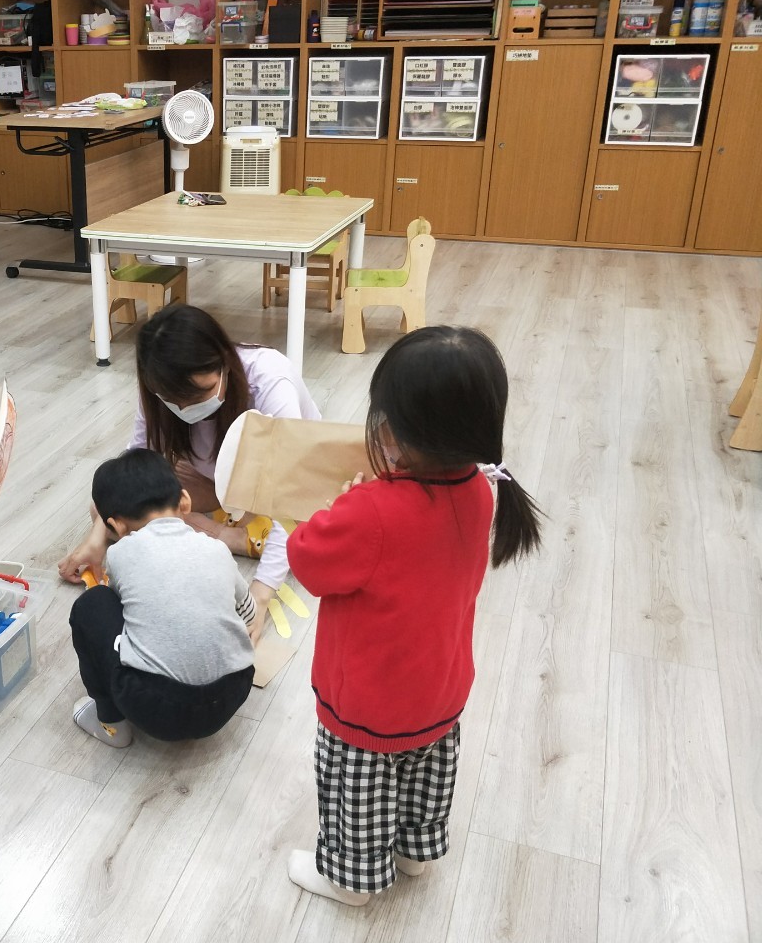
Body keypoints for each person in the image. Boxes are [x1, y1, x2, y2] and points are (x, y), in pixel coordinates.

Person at [283, 326, 543, 906]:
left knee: (360, 785)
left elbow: (307, 560)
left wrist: (345, 503)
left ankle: (348, 879)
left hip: (370, 700)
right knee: (426, 772)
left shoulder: (371, 511)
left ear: (398, 429)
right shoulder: (482, 490)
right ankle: (416, 851)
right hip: (441, 689)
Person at [58, 305, 320, 636]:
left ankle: (236, 536)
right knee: (105, 507)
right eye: (173, 400)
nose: (185, 408)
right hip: (218, 479)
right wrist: (96, 537)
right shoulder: (159, 385)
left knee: (315, 537)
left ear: (224, 362)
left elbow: (290, 495)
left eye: (200, 394)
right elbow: (135, 464)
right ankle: (235, 531)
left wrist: (261, 594)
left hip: (286, 487)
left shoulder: (270, 381)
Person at [69, 449, 256, 747]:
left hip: (157, 709)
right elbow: (249, 614)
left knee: (92, 604)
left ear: (115, 526)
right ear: (184, 501)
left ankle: (111, 724)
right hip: (233, 691)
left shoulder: (120, 553)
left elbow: (123, 614)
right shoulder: (216, 549)